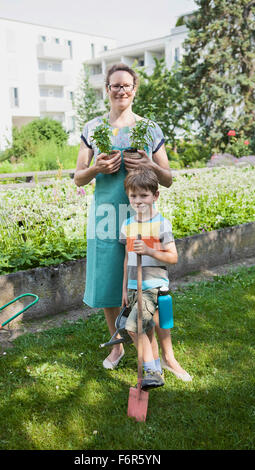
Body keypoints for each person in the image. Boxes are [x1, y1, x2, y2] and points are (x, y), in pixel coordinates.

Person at [74, 63, 191, 381]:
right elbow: (78, 178)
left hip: (142, 217)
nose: (121, 90)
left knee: (150, 286)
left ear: (134, 89)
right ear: (107, 90)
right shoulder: (92, 128)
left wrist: (150, 164)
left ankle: (166, 356)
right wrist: (98, 168)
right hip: (104, 216)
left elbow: (167, 179)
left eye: (126, 85)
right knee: (108, 282)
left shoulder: (149, 128)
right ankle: (117, 346)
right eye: (115, 85)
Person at [120, 167, 180, 390]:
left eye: (143, 195)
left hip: (153, 285)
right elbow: (127, 259)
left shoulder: (161, 224)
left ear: (155, 196)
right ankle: (155, 368)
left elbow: (172, 257)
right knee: (145, 329)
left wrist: (149, 250)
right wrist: (124, 289)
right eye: (133, 195)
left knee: (134, 327)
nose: (138, 200)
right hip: (134, 286)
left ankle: (152, 370)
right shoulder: (127, 225)